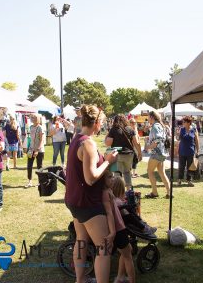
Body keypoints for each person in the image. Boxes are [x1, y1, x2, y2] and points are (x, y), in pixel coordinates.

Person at [65, 105, 118, 283]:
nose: (102, 126)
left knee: (81, 241)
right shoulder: (88, 142)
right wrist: (108, 161)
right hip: (87, 202)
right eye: (101, 122)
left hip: (75, 201)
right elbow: (91, 178)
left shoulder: (77, 138)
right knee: (103, 248)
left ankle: (80, 280)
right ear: (95, 122)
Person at [102, 172, 135, 283]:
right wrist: (113, 232)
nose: (112, 179)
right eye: (109, 177)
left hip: (117, 229)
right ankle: (131, 280)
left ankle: (120, 277)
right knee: (128, 256)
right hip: (118, 230)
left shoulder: (108, 192)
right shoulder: (106, 194)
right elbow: (109, 213)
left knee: (126, 251)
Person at [105, 114, 142, 191]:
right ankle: (129, 191)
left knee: (117, 173)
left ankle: (118, 191)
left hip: (117, 153)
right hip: (129, 154)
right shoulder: (130, 129)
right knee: (127, 172)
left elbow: (108, 143)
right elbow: (136, 143)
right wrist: (139, 153)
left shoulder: (114, 129)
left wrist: (107, 135)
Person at [144, 111, 171, 199]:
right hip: (162, 152)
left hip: (156, 152)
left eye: (148, 117)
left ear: (152, 117)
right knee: (162, 172)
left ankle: (154, 192)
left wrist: (149, 146)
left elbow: (158, 139)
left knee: (150, 171)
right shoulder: (160, 125)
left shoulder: (155, 126)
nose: (148, 119)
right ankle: (169, 192)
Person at [177, 116, 199, 187]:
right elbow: (178, 139)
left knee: (190, 167)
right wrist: (177, 134)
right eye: (183, 122)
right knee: (181, 166)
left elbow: (196, 141)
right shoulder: (181, 129)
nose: (183, 123)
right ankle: (179, 180)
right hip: (182, 151)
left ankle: (189, 180)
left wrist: (197, 150)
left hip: (191, 151)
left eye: (184, 122)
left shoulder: (194, 130)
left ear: (189, 123)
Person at [25, 114, 44, 188]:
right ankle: (30, 181)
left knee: (39, 166)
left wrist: (37, 150)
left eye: (35, 118)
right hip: (31, 149)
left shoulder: (40, 127)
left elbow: (41, 140)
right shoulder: (31, 127)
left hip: (39, 150)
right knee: (29, 165)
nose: (33, 119)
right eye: (32, 118)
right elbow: (29, 138)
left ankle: (40, 182)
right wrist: (28, 147)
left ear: (39, 119)